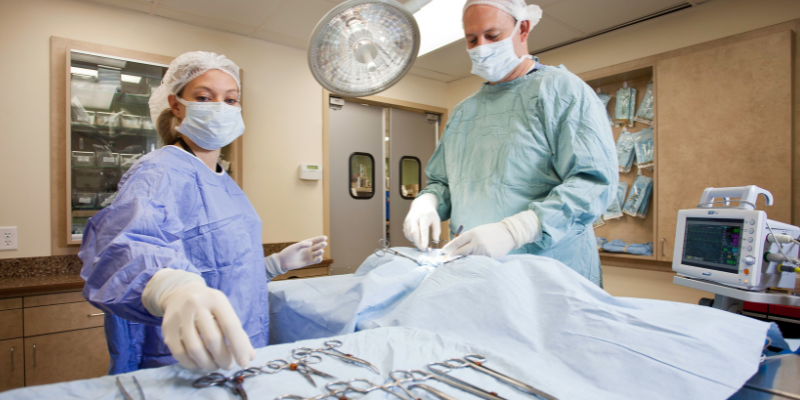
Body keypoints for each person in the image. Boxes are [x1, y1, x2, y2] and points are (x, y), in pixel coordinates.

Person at [79, 51, 327, 374]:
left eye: (230, 99)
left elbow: (222, 268)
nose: (219, 108)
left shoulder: (224, 180)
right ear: (177, 105)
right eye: (204, 97)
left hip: (242, 343)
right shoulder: (159, 170)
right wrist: (170, 288)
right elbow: (127, 249)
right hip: (183, 357)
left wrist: (273, 265)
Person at [403, 0, 617, 286]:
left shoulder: (562, 91)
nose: (481, 47)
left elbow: (593, 183)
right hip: (477, 274)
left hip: (549, 277)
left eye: (492, 36)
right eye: (471, 39)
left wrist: (517, 229)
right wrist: (427, 202)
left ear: (523, 28)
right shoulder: (464, 112)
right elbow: (443, 182)